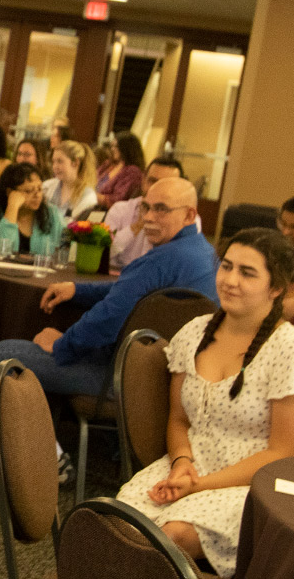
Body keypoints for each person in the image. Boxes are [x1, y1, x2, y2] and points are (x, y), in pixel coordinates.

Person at [116, 228, 294, 577]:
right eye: (226, 266)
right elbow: (180, 420)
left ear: (276, 289)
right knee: (120, 527)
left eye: (247, 272)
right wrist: (182, 462)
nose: (229, 280)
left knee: (171, 537)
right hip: (189, 464)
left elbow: (281, 452)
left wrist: (198, 485)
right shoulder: (195, 333)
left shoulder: (286, 349)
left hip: (248, 482)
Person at [0, 177, 218, 398]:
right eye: (145, 207)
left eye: (161, 209)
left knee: (5, 353)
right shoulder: (206, 254)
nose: (148, 217)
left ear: (189, 215)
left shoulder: (159, 260)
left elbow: (108, 319)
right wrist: (78, 290)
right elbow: (131, 291)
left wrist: (61, 345)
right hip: (173, 379)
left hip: (123, 379)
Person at [107, 157, 201, 270]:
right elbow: (104, 254)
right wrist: (136, 227)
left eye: (166, 184)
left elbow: (182, 262)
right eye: (152, 181)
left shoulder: (187, 218)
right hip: (118, 277)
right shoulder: (120, 210)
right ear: (143, 181)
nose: (156, 188)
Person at [0, 162, 63, 255]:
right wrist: (12, 207)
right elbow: (2, 248)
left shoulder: (51, 214)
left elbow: (65, 245)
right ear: (10, 192)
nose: (37, 195)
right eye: (28, 191)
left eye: (40, 189)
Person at [42, 140, 99, 224]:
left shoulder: (88, 197)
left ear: (75, 163)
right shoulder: (47, 186)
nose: (55, 166)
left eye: (60, 161)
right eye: (53, 161)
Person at [97, 131, 146, 208]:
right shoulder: (108, 165)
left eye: (116, 146)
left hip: (107, 211)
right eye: (112, 146)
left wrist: (96, 197)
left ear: (126, 148)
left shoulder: (133, 172)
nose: (112, 149)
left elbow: (119, 200)